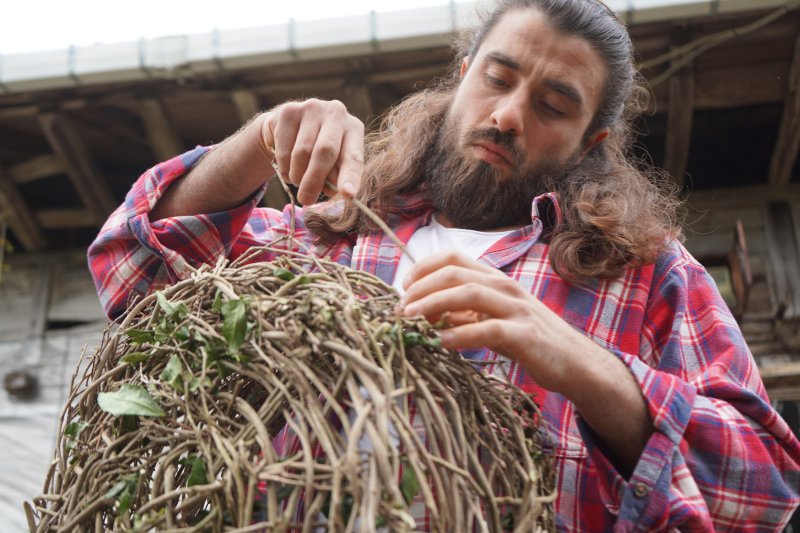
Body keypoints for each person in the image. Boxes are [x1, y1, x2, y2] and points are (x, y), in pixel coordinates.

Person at [88, 0, 800, 530]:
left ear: (592, 143)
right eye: (497, 78)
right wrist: (259, 141)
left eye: (553, 105)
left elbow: (764, 487)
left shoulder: (645, 274)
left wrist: (583, 364)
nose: (510, 114)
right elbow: (134, 278)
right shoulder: (321, 238)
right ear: (461, 77)